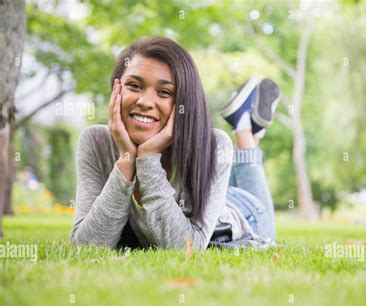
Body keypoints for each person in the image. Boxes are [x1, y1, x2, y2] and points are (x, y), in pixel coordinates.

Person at [70, 36, 281, 251]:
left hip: (243, 214)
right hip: (211, 197)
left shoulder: (214, 145)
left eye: (164, 92)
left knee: (244, 158)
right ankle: (250, 127)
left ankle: (243, 129)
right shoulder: (96, 142)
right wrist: (126, 161)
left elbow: (188, 248)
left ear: (184, 103)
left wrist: (148, 158)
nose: (144, 102)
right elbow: (87, 247)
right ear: (117, 90)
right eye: (134, 86)